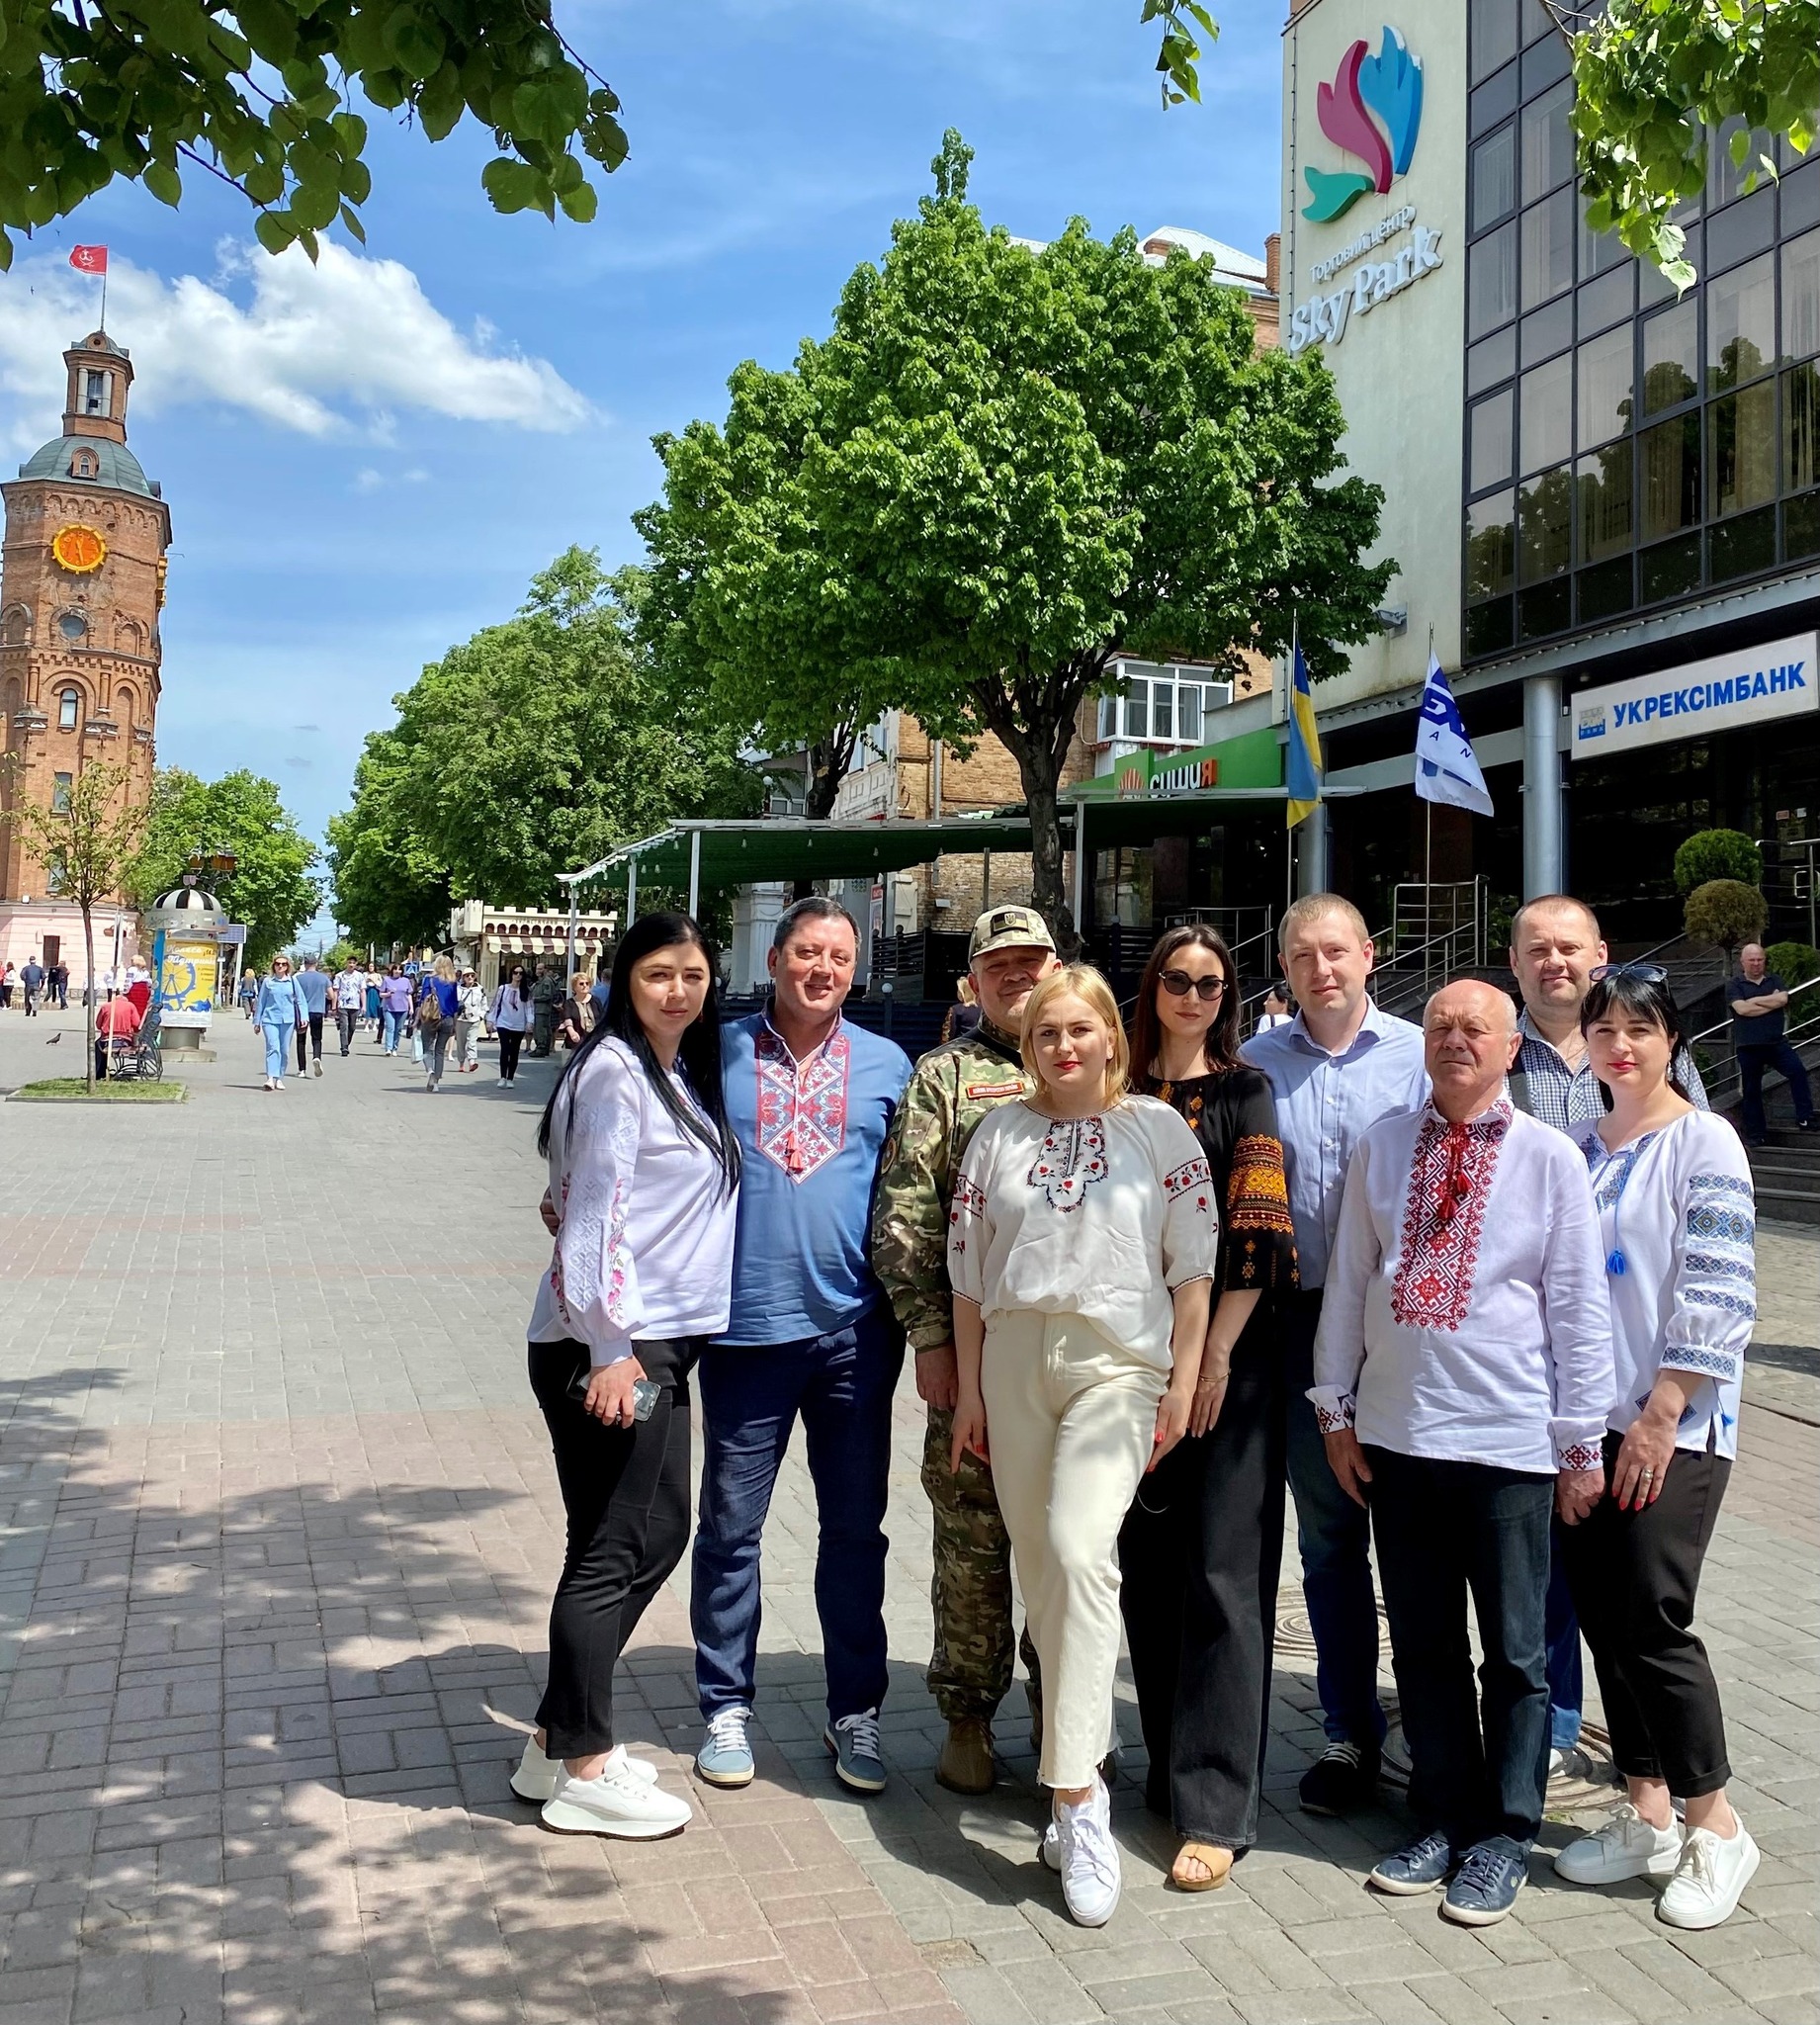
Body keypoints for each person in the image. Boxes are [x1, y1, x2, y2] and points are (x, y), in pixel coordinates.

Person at [1313, 979, 1612, 1926]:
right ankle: (1442, 1815)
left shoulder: (1548, 1157)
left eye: (1475, 1028)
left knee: (1516, 1655)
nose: (1453, 1040)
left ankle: (1505, 1834)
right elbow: (1349, 1281)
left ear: (1510, 1047)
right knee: (1425, 1644)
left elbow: (1577, 1305)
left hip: (1510, 1443)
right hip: (1399, 1438)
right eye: (1439, 1025)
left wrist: (1579, 1441)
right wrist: (1334, 1410)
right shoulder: (1382, 1145)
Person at [948, 964, 1215, 1925]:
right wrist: (971, 1388)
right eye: (1046, 1033)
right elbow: (966, 1271)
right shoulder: (997, 1133)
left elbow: (1193, 1265)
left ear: (1111, 1036)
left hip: (1117, 1364)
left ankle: (1078, 1797)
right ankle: (1076, 1774)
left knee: (1076, 1551)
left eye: (1079, 1029)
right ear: (1029, 1045)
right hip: (1014, 1361)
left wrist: (1183, 1379)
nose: (1063, 1046)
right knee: (1044, 1573)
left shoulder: (1157, 1129)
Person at [513, 912, 741, 1839]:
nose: (677, 991)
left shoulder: (669, 1071)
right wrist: (610, 1349)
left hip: (657, 1345)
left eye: (693, 975)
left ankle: (554, 1737)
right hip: (613, 1350)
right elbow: (593, 1217)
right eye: (657, 974)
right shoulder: (613, 1069)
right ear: (624, 980)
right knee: (612, 1548)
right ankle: (584, 1768)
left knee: (655, 1533)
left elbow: (574, 1193)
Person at [1554, 966, 1761, 1928]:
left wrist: (1661, 1407)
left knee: (1650, 1614)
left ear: (1670, 1039)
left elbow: (1718, 1280)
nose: (1620, 1046)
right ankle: (1644, 1811)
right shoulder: (1577, 1147)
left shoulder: (1702, 1138)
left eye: (1639, 1029)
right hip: (1586, 1425)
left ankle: (1714, 1824)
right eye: (1603, 1030)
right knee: (1602, 1613)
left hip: (1673, 1422)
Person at [691, 899, 911, 1796]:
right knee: (730, 1530)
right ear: (775, 958)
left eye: (839, 957)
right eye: (807, 952)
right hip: (743, 1332)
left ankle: (854, 1710)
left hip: (856, 1334)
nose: (822, 970)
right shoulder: (715, 1053)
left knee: (855, 1531)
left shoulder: (889, 1063)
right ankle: (724, 1706)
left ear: (855, 970)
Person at [1506, 896, 1708, 1776]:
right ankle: (1609, 1771)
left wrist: (1667, 1403)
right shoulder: (1523, 1082)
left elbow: (1709, 1256)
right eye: (1536, 949)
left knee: (1639, 1606)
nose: (1553, 961)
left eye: (1569, 947)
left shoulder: (1682, 1106)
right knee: (1569, 1582)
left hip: (1650, 1399)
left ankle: (1695, 1807)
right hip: (1549, 1379)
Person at [1117, 926, 1299, 1892]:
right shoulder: (1114, 1088)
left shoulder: (1242, 1091)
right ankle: (1166, 1768)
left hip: (1230, 1361)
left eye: (1211, 984)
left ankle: (1218, 1804)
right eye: (1177, 979)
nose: (1192, 995)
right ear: (1151, 986)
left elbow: (1259, 1231)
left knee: (1223, 1576)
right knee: (1146, 1574)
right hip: (1127, 1361)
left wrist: (1214, 1355)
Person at [1239, 895, 1428, 1815]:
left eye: (1335, 952)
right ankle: (1349, 1732)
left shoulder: (1417, 1057)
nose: (1321, 970)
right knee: (1327, 1540)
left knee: (1410, 1538)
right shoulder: (1255, 1062)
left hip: (1392, 1329)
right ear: (1284, 967)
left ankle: (1431, 1731)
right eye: (1302, 955)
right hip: (1284, 1322)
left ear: (1369, 956)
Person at [872, 904, 1062, 1796]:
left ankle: (1065, 1723)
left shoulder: (1094, 1059)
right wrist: (930, 1340)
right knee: (972, 1545)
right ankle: (967, 1716)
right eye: (999, 966)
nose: (1017, 978)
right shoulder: (945, 1076)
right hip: (977, 1357)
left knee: (1065, 1548)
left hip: (1072, 1363)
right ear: (973, 982)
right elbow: (904, 1216)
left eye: (1031, 962)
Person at [1728, 940, 1815, 1145]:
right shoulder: (1734, 984)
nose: (1756, 964)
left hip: (1776, 1043)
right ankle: (1756, 1134)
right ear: (1742, 962)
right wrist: (1770, 1002)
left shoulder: (1775, 980)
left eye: (1760, 960)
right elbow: (1742, 1010)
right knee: (1752, 1090)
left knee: (1798, 1072)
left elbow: (1783, 1000)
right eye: (1752, 960)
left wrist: (1753, 1001)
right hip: (1749, 1046)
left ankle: (1805, 1118)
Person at [255, 955, 308, 1092]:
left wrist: (304, 1017)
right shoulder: (268, 981)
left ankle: (279, 1078)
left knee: (284, 1051)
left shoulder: (292, 981)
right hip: (269, 1019)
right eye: (277, 964)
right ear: (273, 966)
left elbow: (301, 1000)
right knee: (273, 1047)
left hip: (288, 1020)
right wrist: (257, 1021)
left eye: (283, 964)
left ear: (287, 966)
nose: (280, 966)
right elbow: (261, 1002)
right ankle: (270, 1078)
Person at [417, 955, 461, 1092]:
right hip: (447, 1019)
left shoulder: (429, 979)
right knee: (440, 1051)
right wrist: (454, 1023)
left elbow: (423, 1000)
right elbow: (455, 1004)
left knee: (427, 1048)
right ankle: (436, 1083)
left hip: (431, 1018)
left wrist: (417, 1019)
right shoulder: (453, 982)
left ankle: (430, 1070)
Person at [490, 966, 531, 1086]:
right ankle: (502, 1076)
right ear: (511, 974)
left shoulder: (526, 991)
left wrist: (530, 1022)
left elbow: (529, 1008)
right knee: (505, 1049)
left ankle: (510, 1078)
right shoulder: (503, 988)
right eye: (515, 973)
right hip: (503, 1022)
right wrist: (490, 1020)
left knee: (514, 1051)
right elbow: (495, 1005)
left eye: (520, 973)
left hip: (518, 1024)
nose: (518, 975)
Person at [94, 989, 142, 1081]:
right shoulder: (130, 1006)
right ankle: (101, 1072)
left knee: (97, 1045)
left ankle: (99, 1072)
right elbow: (137, 1024)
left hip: (107, 1039)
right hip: (124, 1040)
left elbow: (98, 1025)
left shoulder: (106, 1006)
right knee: (100, 1045)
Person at [295, 956, 329, 1078]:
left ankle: (302, 1069)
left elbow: (293, 995)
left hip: (302, 1012)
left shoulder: (298, 978)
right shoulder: (323, 978)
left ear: (305, 964)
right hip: (318, 1011)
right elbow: (331, 995)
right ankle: (316, 1056)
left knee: (301, 1040)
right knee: (317, 1038)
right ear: (316, 964)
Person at [456, 967, 487, 1073]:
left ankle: (472, 1062)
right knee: (461, 1042)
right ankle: (461, 1063)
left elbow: (484, 1004)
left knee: (472, 1042)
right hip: (461, 1019)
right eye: (467, 975)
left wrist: (481, 1015)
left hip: (474, 1019)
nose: (470, 977)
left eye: (472, 975)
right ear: (463, 977)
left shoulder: (480, 989)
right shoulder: (458, 989)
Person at [333, 958, 367, 1056]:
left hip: (355, 1005)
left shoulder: (359, 976)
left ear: (356, 964)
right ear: (346, 963)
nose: (351, 965)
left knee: (352, 1027)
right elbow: (336, 991)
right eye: (349, 963)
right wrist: (334, 1006)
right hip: (342, 1004)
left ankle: (346, 1043)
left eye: (353, 963)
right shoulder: (340, 976)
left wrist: (364, 1005)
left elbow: (362, 991)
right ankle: (344, 1048)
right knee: (344, 1026)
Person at [531, 961, 563, 1056]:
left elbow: (547, 996)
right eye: (537, 969)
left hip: (542, 1010)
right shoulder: (540, 981)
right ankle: (542, 1048)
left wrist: (535, 999)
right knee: (542, 1029)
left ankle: (541, 1048)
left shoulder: (546, 981)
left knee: (541, 1030)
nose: (538, 971)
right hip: (539, 1009)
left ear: (545, 970)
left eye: (540, 969)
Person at [558, 974, 595, 1052]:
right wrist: (572, 1032)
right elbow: (567, 1019)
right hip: (575, 1044)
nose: (585, 985)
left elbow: (601, 1019)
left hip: (593, 1043)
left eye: (587, 983)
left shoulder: (595, 1001)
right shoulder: (569, 1003)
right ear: (574, 987)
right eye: (581, 984)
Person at [379, 966, 411, 1054]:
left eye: (399, 969)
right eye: (395, 969)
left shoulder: (406, 981)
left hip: (403, 1008)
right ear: (392, 970)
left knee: (398, 1029)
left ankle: (395, 1048)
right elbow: (381, 994)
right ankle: (388, 1048)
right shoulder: (387, 980)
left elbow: (409, 995)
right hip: (389, 1008)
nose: (397, 971)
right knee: (390, 1028)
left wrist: (411, 1007)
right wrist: (388, 994)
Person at [364, 969, 382, 1038]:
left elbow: (379, 985)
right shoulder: (365, 974)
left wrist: (373, 981)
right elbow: (363, 984)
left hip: (375, 993)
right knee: (368, 1008)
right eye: (370, 966)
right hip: (368, 993)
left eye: (372, 966)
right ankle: (366, 1026)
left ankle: (374, 1024)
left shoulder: (378, 975)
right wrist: (367, 980)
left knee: (374, 1008)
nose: (371, 968)